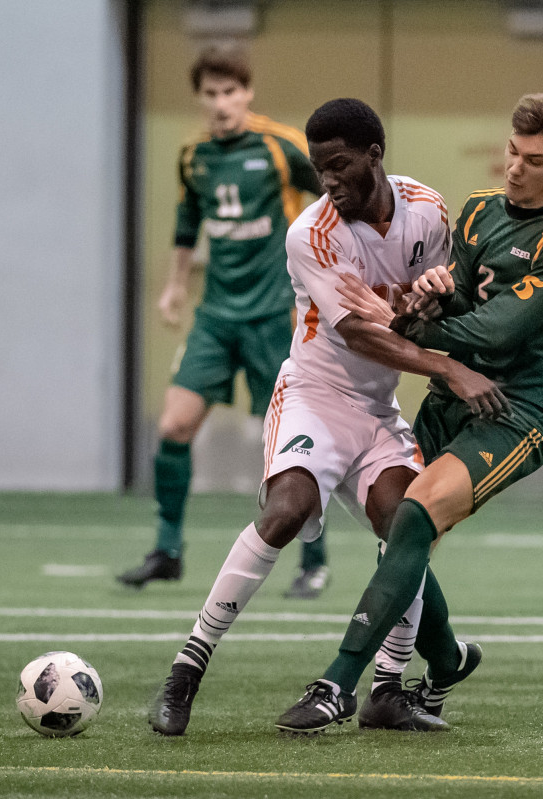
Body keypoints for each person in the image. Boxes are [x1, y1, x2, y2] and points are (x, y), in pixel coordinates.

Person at [148, 97, 509, 736]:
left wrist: (431, 301)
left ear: (376, 154)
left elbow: (423, 311)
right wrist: (449, 368)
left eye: (340, 166)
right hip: (314, 392)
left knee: (407, 525)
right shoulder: (311, 234)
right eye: (320, 170)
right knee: (286, 509)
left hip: (376, 409)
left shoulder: (427, 209)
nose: (330, 182)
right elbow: (362, 337)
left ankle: (389, 689)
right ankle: (187, 668)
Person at [276, 90, 543, 733]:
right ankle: (439, 665)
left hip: (515, 411)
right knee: (400, 529)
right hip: (453, 397)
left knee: (417, 515)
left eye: (534, 160)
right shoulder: (479, 213)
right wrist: (425, 294)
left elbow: (495, 333)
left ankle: (337, 685)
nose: (515, 167)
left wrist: (397, 322)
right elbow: (448, 306)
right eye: (512, 151)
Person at [117, 44, 331, 597]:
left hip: (273, 316)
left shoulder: (282, 147)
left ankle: (315, 560)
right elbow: (187, 225)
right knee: (174, 426)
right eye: (210, 93)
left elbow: (339, 197)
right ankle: (167, 549)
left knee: (291, 443)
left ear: (248, 91)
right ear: (200, 97)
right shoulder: (194, 156)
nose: (221, 103)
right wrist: (172, 287)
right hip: (215, 316)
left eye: (230, 91)